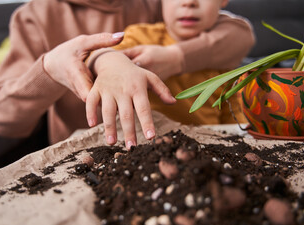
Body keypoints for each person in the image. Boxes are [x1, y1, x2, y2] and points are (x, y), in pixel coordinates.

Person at [0, 0, 255, 150]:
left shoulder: (152, 5)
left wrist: (175, 58)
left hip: (158, 144)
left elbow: (239, 35)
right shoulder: (36, 16)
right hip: (86, 153)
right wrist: (49, 70)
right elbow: (4, 119)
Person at [86, 0, 255, 149]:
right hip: (146, 144)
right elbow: (100, 55)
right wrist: (110, 62)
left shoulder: (223, 55)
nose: (189, 2)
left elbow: (232, 113)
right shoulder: (140, 36)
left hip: (205, 146)